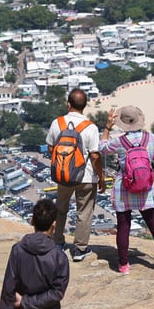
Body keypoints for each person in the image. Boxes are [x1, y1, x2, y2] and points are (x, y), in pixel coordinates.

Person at [99, 105, 154, 275]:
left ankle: (124, 265)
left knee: (124, 226)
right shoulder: (151, 139)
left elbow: (101, 148)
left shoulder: (119, 141)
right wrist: (152, 168)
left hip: (123, 190)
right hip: (146, 189)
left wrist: (107, 127)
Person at [45, 88, 103, 262]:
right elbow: (94, 155)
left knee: (60, 209)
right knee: (84, 212)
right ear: (85, 106)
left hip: (64, 175)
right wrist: (100, 176)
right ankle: (79, 249)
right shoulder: (90, 127)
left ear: (68, 104)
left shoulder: (58, 123)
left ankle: (57, 242)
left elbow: (50, 147)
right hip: (86, 176)